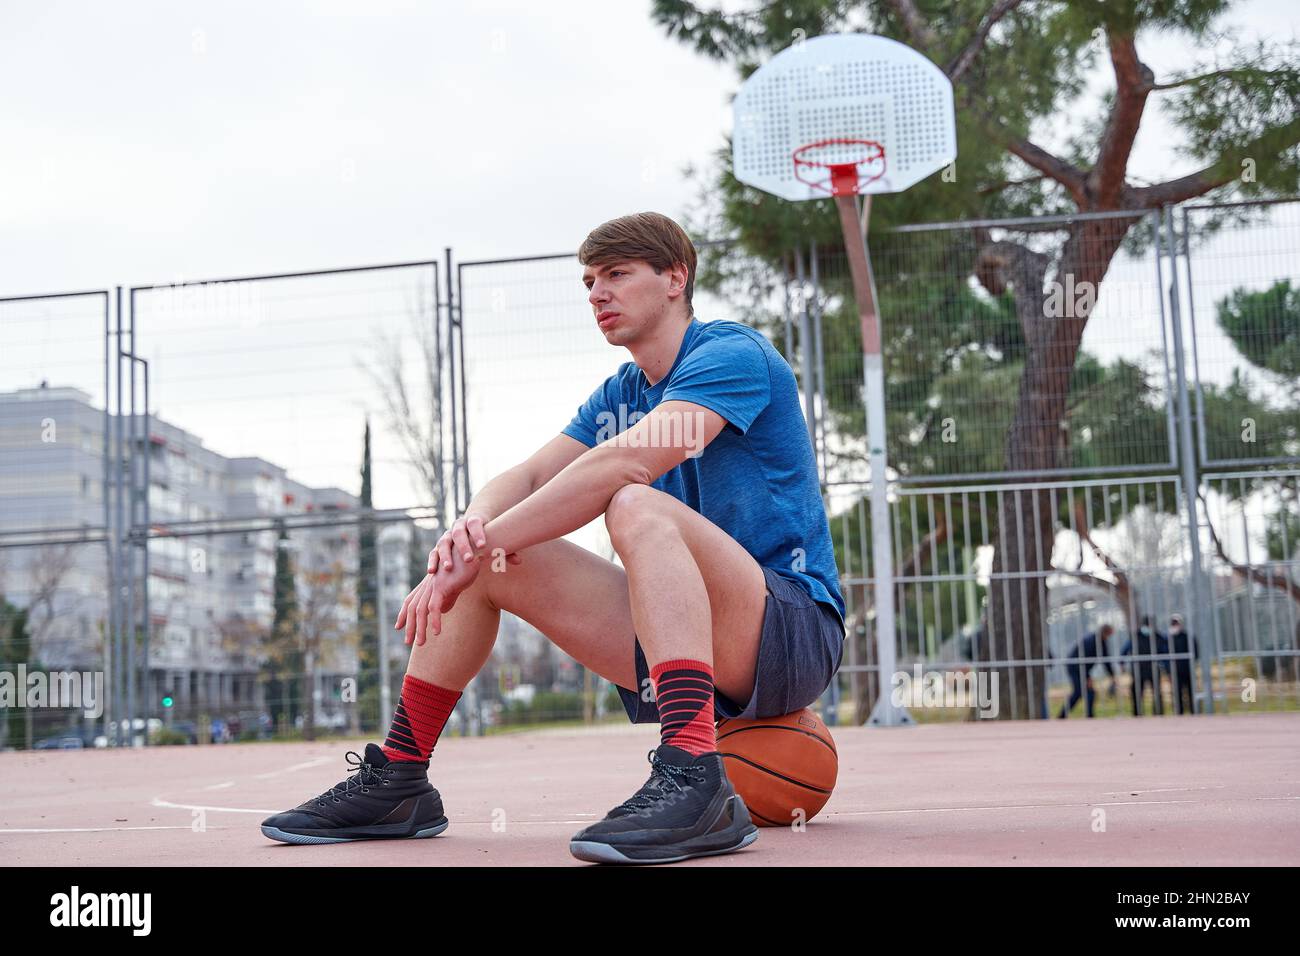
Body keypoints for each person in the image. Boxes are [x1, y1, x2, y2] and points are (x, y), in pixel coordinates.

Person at [260, 212, 847, 864]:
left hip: (790, 629)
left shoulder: (732, 354)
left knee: (634, 503)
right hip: (689, 628)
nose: (596, 293)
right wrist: (466, 540)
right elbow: (533, 473)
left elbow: (630, 461)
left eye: (617, 274)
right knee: (495, 563)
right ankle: (399, 778)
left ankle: (692, 771)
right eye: (590, 280)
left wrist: (483, 541)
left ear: (676, 277)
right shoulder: (620, 392)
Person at [1057, 624, 1116, 719]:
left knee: (1087, 692)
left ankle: (1086, 715)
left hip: (1081, 668)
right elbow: (1082, 660)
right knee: (1080, 692)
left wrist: (1112, 676)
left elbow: (1106, 661)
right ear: (1106, 632)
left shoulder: (1102, 642)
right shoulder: (1090, 642)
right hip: (1074, 667)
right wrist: (1087, 677)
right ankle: (1063, 715)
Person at [1119, 616, 1168, 716]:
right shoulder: (1135, 636)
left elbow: (1165, 652)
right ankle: (1137, 713)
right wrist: (1121, 663)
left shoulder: (1158, 637)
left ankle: (1158, 713)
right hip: (1138, 669)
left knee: (1157, 692)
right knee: (1137, 692)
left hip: (1153, 668)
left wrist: (1166, 667)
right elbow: (1125, 650)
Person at [1163, 613, 1198, 715]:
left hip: (1187, 669)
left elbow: (1195, 652)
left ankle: (1194, 711)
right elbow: (1164, 655)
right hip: (1174, 671)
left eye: (1177, 623)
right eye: (1173, 623)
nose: (1175, 625)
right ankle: (1179, 713)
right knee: (1177, 693)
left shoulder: (1188, 637)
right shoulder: (1167, 639)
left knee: (1191, 692)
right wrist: (1167, 669)